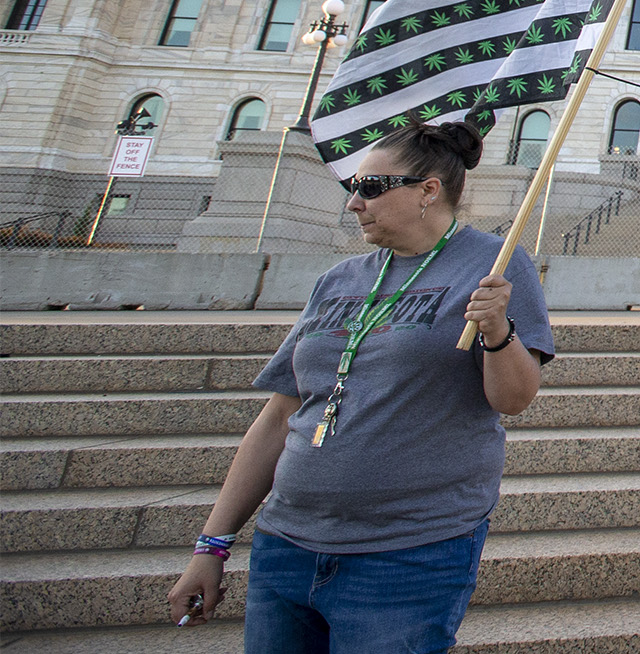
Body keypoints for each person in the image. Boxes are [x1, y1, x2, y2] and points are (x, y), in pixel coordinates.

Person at [167, 121, 554, 651]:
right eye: (353, 187)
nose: (355, 202)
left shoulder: (494, 265)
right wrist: (211, 544)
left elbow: (513, 400)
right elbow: (282, 415)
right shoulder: (341, 279)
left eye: (371, 187)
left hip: (408, 554)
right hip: (286, 545)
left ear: (427, 191)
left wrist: (497, 332)